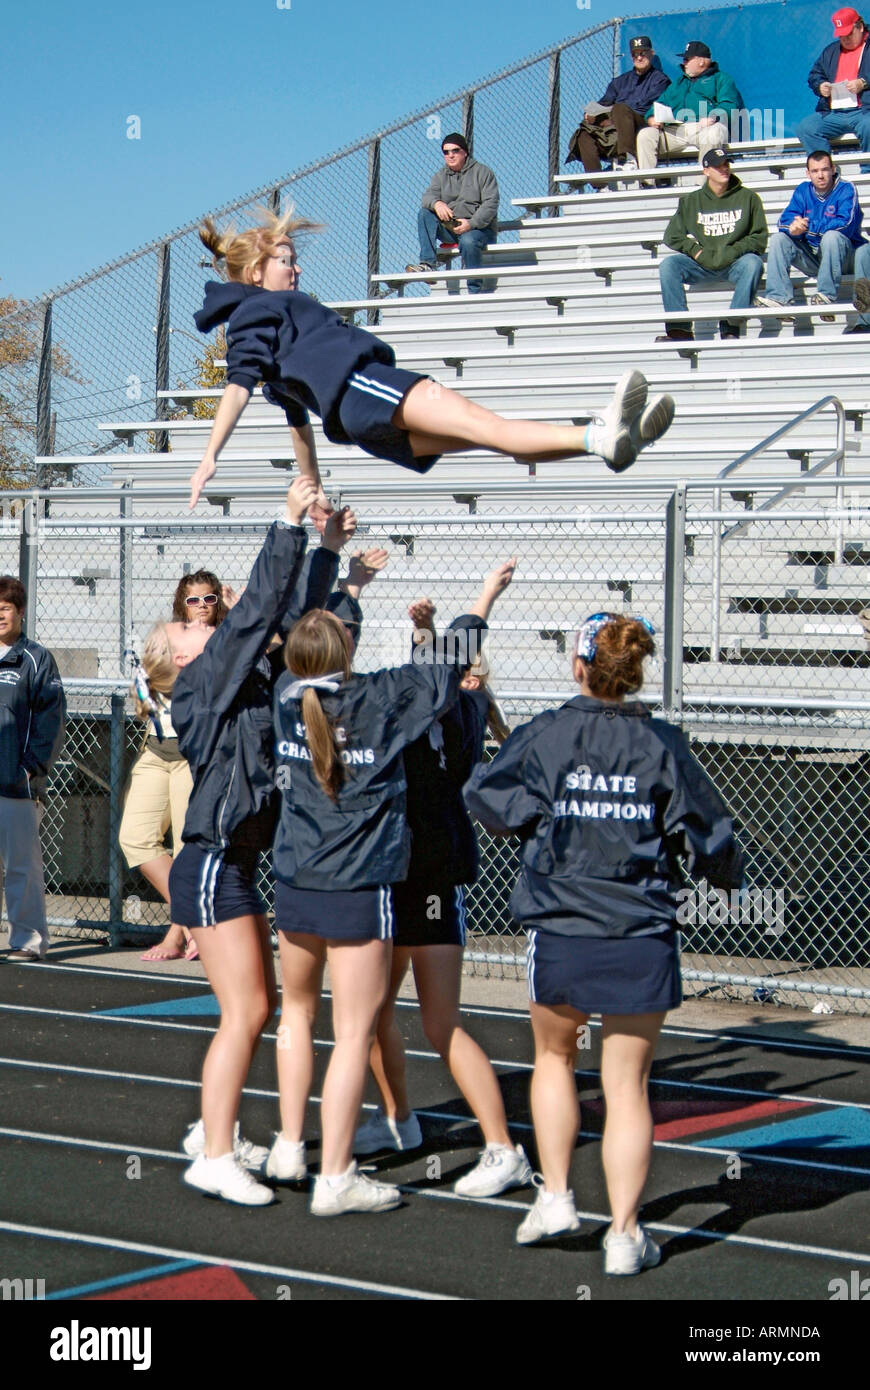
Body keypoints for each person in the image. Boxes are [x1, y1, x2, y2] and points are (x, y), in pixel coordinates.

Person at [464, 613, 745, 1274]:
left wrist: (544, 815)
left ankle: (558, 1195)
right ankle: (623, 1234)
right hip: (638, 929)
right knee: (626, 1086)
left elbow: (487, 799)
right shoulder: (662, 743)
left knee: (555, 1061)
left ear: (579, 666)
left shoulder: (545, 735)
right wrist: (727, 877)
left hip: (561, 925)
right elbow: (712, 838)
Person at [267, 565, 509, 1217]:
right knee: (352, 1034)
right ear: (348, 651)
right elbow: (444, 666)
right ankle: (337, 1173)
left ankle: (291, 1143)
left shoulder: (286, 694)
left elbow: (310, 642)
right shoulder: (379, 700)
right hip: (359, 885)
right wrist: (481, 599)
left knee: (297, 1016)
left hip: (295, 882)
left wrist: (343, 584)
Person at [186, 209, 676, 509]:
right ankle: (600, 433)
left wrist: (312, 488)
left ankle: (606, 441)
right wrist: (210, 455)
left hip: (362, 424)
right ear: (254, 271)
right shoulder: (262, 309)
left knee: (492, 438)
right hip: (367, 389)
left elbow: (298, 421)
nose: (296, 269)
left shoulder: (265, 326)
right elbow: (237, 387)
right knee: (490, 427)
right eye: (286, 260)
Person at [168, 477, 356, 1205]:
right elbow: (252, 620)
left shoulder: (250, 684)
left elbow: (289, 626)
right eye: (186, 633)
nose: (200, 637)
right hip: (212, 863)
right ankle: (213, 1154)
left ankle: (211, 1129)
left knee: (259, 1008)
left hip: (236, 865)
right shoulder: (203, 690)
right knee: (248, 1012)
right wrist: (286, 527)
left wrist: (328, 550)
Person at [355, 581, 532, 1199]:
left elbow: (440, 682)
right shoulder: (423, 699)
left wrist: (478, 603)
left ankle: (503, 1148)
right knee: (371, 1012)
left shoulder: (460, 709)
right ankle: (399, 1119)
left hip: (430, 874)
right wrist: (431, 635)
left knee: (440, 1022)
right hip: (392, 873)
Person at [122, 571, 231, 964]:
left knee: (186, 846)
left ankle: (179, 930)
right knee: (135, 837)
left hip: (196, 754)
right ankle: (193, 921)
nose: (202, 606)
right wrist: (145, 697)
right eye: (193, 600)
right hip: (156, 748)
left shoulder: (224, 641)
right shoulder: (167, 637)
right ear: (180, 604)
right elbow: (140, 680)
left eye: (209, 599)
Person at [0, 577, 65, 964]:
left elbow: (51, 720)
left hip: (14, 783)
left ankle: (27, 940)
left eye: (5, 608)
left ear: (21, 612)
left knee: (22, 868)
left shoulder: (36, 659)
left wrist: (30, 770)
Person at [656, 146, 768, 342]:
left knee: (754, 263)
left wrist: (732, 252)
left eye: (726, 165)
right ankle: (679, 330)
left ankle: (731, 324)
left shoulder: (748, 198)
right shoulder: (691, 201)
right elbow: (672, 235)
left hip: (734, 263)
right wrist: (696, 251)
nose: (724, 169)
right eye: (718, 167)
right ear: (706, 171)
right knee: (669, 265)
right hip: (702, 264)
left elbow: (759, 238)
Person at [754, 150, 866, 323]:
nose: (820, 175)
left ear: (833, 169)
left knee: (832, 237)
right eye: (815, 171)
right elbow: (784, 221)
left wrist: (807, 227)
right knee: (779, 239)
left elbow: (846, 224)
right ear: (808, 173)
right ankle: (779, 299)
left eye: (825, 170)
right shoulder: (803, 190)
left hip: (845, 256)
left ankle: (826, 297)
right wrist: (794, 228)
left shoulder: (846, 188)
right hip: (815, 258)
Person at [567, 37, 670, 187]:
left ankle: (627, 158)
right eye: (635, 54)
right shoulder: (620, 81)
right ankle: (600, 186)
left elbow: (643, 108)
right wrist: (592, 113)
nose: (639, 57)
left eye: (643, 53)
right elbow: (604, 102)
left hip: (641, 124)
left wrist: (613, 114)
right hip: (615, 128)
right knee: (583, 135)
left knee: (621, 108)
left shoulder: (660, 80)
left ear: (651, 53)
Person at [405, 134, 499, 292]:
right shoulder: (440, 176)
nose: (450, 155)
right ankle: (428, 265)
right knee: (425, 213)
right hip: (452, 228)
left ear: (465, 152)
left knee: (468, 241)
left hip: (479, 230)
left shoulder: (483, 172)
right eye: (446, 152)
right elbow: (427, 197)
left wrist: (471, 224)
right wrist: (437, 203)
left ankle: (474, 290)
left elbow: (491, 204)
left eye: (455, 150)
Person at [636, 40, 742, 176]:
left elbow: (730, 105)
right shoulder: (679, 83)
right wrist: (651, 118)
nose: (684, 63)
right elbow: (658, 105)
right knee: (646, 135)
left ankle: (702, 188)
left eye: (687, 59)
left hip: (705, 128)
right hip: (676, 130)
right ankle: (647, 184)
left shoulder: (721, 79)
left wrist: (713, 116)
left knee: (713, 133)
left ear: (701, 61)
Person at [794, 9, 870, 160]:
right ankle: (827, 171)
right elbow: (815, 75)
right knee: (806, 128)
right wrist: (821, 86)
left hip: (864, 111)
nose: (845, 39)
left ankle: (868, 172)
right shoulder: (831, 51)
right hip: (834, 113)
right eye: (841, 36)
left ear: (860, 27)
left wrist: (863, 83)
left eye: (849, 34)